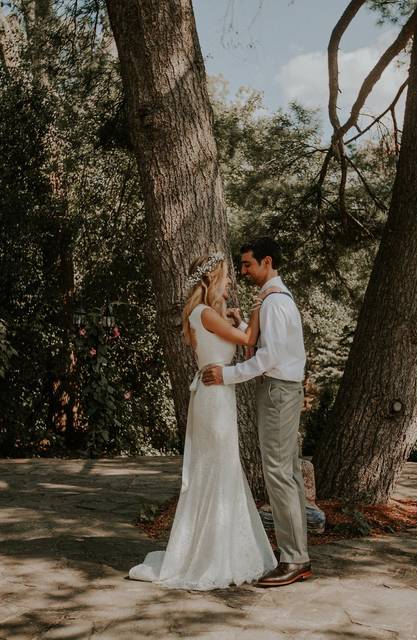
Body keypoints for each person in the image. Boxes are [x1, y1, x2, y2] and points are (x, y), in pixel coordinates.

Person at [128, 252, 277, 590]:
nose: (229, 287)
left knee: (222, 469)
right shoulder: (204, 313)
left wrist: (239, 320)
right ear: (214, 281)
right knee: (216, 469)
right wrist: (258, 308)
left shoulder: (208, 314)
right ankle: (211, 555)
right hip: (213, 400)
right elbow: (248, 341)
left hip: (217, 396)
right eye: (226, 281)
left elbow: (243, 349)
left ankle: (219, 547)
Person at [201, 237, 311, 588]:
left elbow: (270, 357)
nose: (244, 271)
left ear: (267, 261)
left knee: (278, 473)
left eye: (248, 265)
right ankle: (296, 554)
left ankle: (294, 559)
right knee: (287, 472)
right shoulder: (271, 300)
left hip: (279, 391)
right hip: (280, 390)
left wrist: (228, 375)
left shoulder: (275, 303)